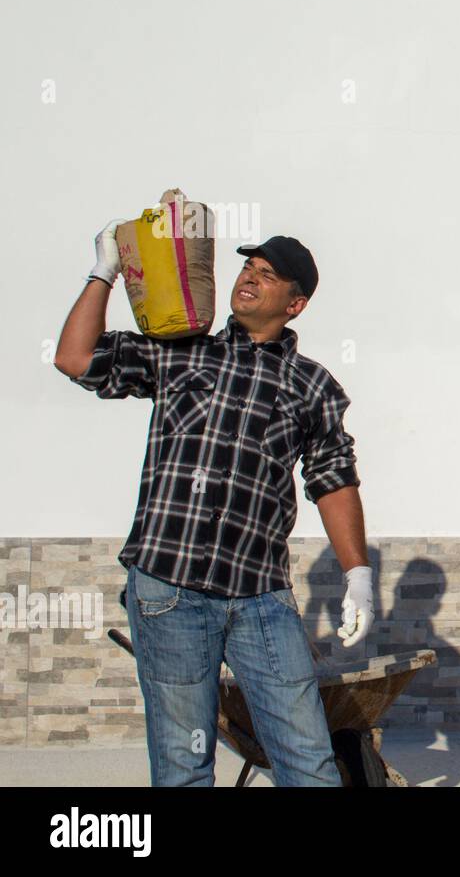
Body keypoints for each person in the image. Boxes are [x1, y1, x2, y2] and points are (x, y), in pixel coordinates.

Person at [53, 216, 374, 786]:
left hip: (260, 597)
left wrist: (358, 574)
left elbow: (333, 479)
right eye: (248, 267)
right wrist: (103, 272)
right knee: (183, 763)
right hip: (169, 587)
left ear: (294, 305)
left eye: (267, 275)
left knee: (308, 759)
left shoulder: (312, 386)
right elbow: (76, 359)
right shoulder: (180, 350)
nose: (249, 278)